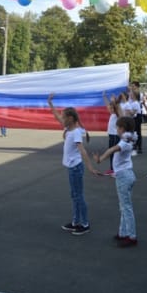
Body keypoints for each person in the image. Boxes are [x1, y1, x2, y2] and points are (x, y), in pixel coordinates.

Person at [47, 93, 99, 236]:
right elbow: (57, 116)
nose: (61, 119)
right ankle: (76, 222)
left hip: (76, 168)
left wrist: (90, 167)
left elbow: (82, 151)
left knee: (78, 196)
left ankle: (85, 224)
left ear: (70, 119)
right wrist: (50, 103)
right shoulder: (68, 129)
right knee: (74, 195)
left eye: (64, 117)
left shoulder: (76, 132)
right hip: (72, 168)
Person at [93, 116, 138, 247]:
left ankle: (132, 236)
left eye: (118, 127)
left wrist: (99, 159)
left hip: (124, 176)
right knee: (124, 206)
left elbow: (111, 149)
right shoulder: (128, 139)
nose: (116, 129)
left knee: (126, 207)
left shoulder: (124, 143)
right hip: (127, 174)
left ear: (122, 128)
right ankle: (123, 232)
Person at [103, 91, 120, 175]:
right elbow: (107, 105)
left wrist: (114, 101)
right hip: (111, 135)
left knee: (114, 153)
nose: (109, 109)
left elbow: (116, 107)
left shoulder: (117, 114)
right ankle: (112, 168)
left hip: (115, 136)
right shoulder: (112, 114)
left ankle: (115, 169)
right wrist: (104, 97)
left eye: (111, 108)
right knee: (111, 152)